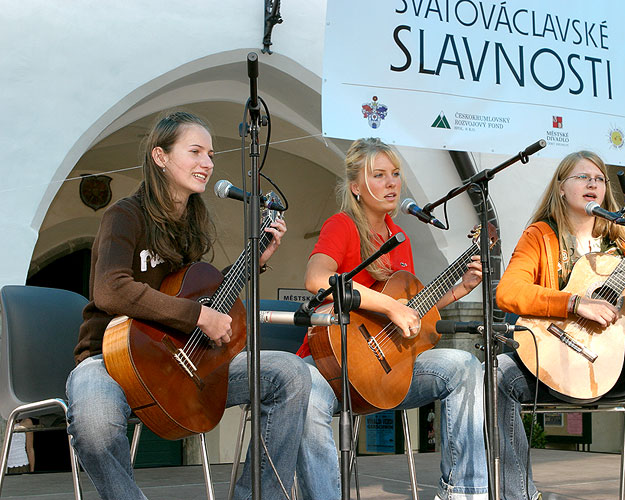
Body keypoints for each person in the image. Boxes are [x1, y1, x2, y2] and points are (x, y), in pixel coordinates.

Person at [66, 111, 311, 500]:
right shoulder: (124, 215)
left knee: (291, 373)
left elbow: (199, 294)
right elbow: (111, 290)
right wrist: (198, 316)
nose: (208, 163)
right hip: (109, 360)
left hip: (178, 361)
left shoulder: (191, 224)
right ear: (160, 157)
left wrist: (256, 257)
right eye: (195, 151)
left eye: (211, 154)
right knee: (95, 420)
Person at [494, 150, 625, 499]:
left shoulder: (623, 237)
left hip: (612, 368)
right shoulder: (542, 235)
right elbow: (508, 291)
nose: (592, 183)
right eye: (582, 177)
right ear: (561, 188)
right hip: (551, 365)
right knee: (497, 373)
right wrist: (576, 303)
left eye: (599, 178)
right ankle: (518, 494)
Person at [295, 137, 488, 500]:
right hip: (330, 363)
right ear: (356, 186)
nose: (392, 183)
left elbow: (410, 311)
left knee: (464, 364)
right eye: (379, 175)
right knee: (307, 400)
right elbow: (317, 279)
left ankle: (465, 493)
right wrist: (389, 308)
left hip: (387, 370)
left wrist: (457, 291)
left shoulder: (400, 238)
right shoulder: (342, 225)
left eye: (396, 174)